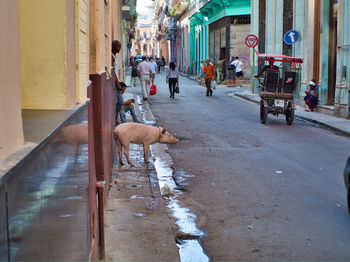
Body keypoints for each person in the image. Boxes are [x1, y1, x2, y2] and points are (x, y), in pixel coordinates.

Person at [112, 40, 124, 125]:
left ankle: (115, 118)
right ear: (113, 47)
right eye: (118, 46)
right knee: (120, 102)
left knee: (118, 101)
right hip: (115, 83)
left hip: (115, 82)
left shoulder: (114, 56)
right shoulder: (111, 57)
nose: (119, 48)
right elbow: (113, 72)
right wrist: (118, 84)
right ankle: (114, 118)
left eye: (120, 46)